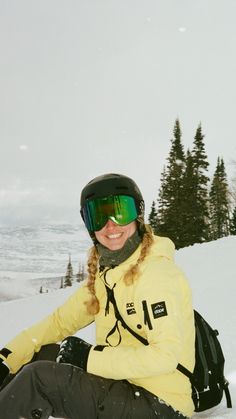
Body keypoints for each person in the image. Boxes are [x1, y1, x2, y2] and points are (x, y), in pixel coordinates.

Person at [0, 173, 195, 419]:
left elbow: (166, 357)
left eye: (120, 211)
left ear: (138, 215)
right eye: (98, 216)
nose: (110, 225)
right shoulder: (107, 277)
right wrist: (7, 358)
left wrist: (89, 358)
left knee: (39, 379)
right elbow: (59, 322)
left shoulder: (158, 275)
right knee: (41, 354)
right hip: (126, 387)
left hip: (161, 405)